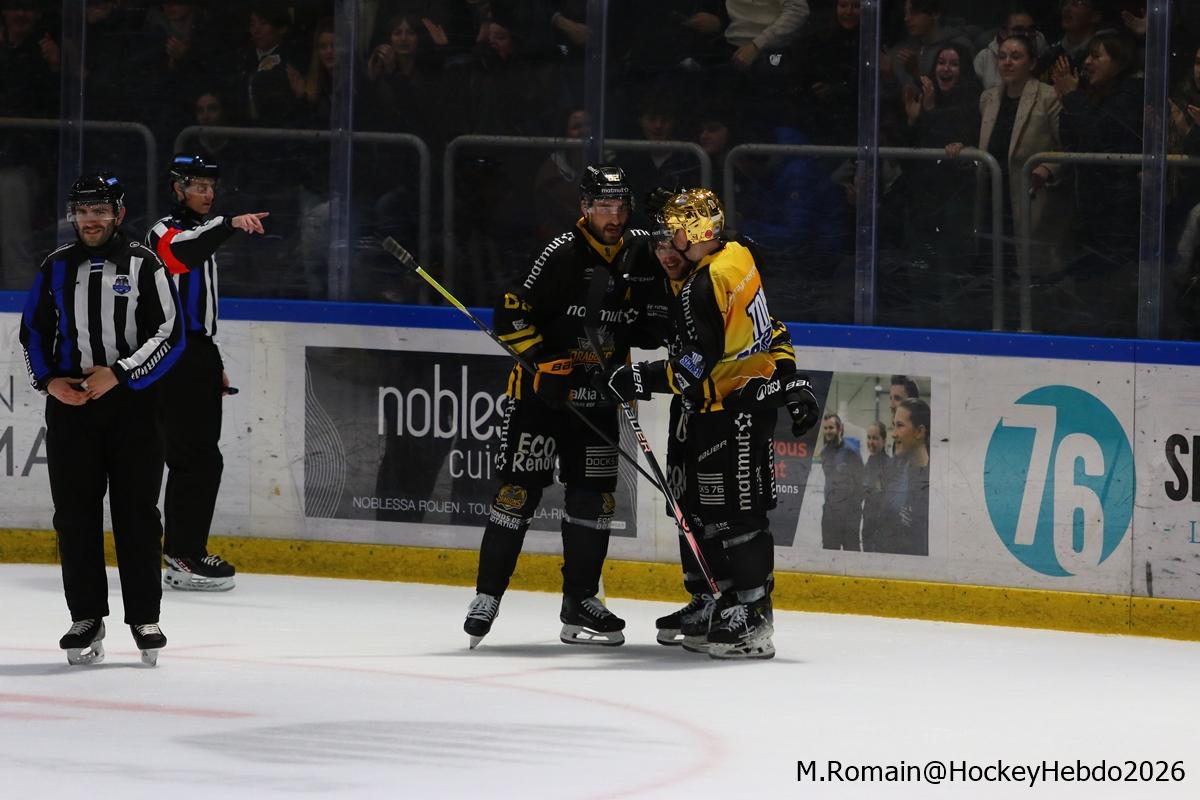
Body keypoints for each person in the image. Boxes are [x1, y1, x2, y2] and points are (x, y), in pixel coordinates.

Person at [597, 187, 800, 659]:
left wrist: (636, 378)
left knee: (738, 516)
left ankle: (754, 619)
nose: (668, 243)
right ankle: (722, 603)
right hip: (721, 405)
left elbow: (692, 367)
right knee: (703, 511)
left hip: (732, 406)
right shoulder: (738, 253)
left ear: (693, 233)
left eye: (674, 232)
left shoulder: (704, 283)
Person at [463, 164, 646, 649]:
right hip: (539, 401)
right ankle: (487, 595)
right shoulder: (560, 252)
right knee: (517, 494)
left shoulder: (639, 249)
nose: (614, 216)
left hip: (597, 402)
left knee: (594, 502)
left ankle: (580, 602)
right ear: (584, 207)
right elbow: (509, 313)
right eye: (604, 206)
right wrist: (543, 361)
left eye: (620, 206)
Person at [20, 173, 185, 666]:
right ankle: (86, 616)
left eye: (100, 211)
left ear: (118, 213)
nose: (90, 220)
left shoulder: (144, 263)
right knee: (74, 516)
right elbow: (33, 332)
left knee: (137, 514)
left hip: (133, 408)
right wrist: (50, 382)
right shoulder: (55, 266)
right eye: (82, 211)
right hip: (71, 408)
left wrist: (120, 373)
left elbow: (170, 333)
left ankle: (145, 618)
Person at [146, 154, 269, 592]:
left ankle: (183, 550)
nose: (208, 193)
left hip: (195, 354)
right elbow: (181, 256)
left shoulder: (203, 233)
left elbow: (200, 309)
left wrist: (211, 362)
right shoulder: (164, 231)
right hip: (172, 354)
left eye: (211, 186)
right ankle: (183, 553)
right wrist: (229, 224)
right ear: (177, 189)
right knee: (191, 457)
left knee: (197, 457)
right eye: (198, 186)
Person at [881, 397, 931, 555]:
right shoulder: (894, 474)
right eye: (893, 426)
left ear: (920, 432)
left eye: (900, 426)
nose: (894, 434)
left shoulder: (938, 481)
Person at [819, 413, 864, 550]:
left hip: (849, 515)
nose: (828, 431)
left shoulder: (851, 452)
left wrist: (853, 511)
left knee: (851, 553)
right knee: (829, 551)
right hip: (829, 513)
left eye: (831, 428)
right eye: (826, 428)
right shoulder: (824, 452)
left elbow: (861, 483)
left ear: (839, 429)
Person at [859, 420, 891, 552]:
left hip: (880, 533)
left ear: (884, 441)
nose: (871, 442)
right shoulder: (870, 462)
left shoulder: (888, 465)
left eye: (875, 438)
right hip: (868, 527)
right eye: (869, 437)